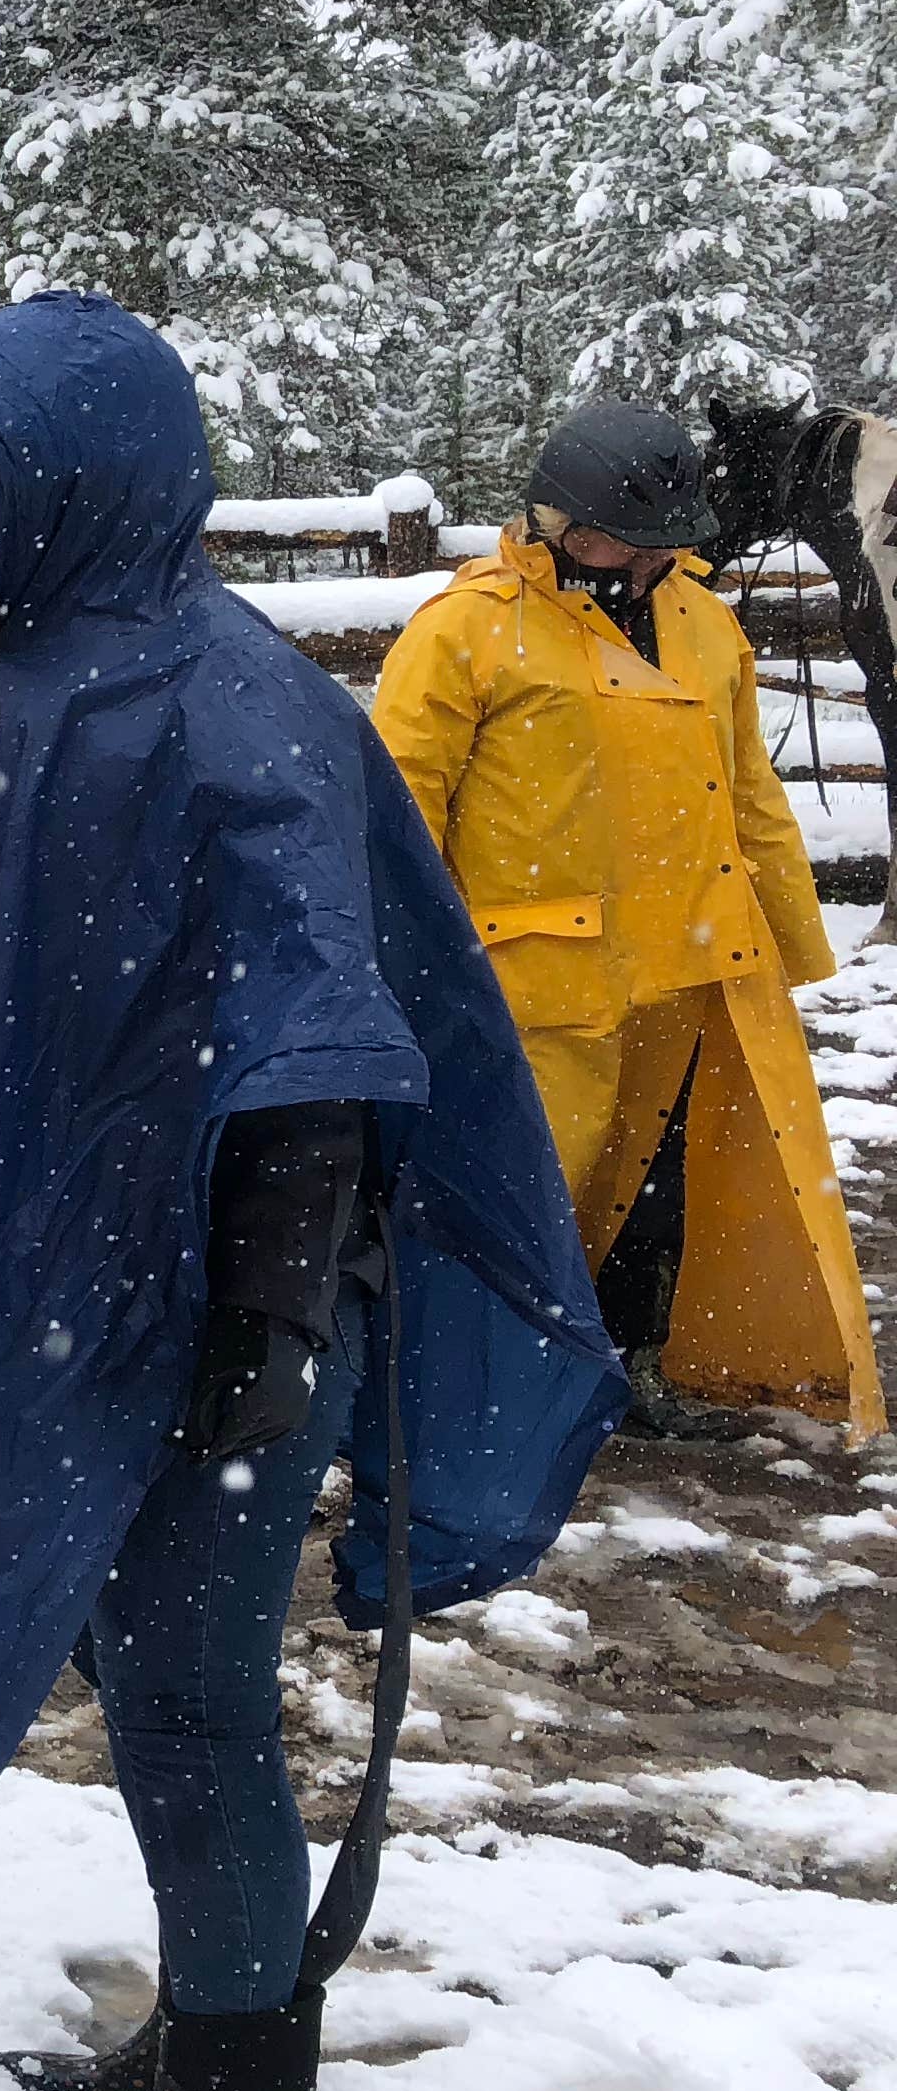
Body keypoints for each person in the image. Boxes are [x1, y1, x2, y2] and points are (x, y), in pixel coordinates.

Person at [0, 294, 621, 2091]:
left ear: (83, 484)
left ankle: (238, 2090)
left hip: (207, 1306)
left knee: (190, 1683)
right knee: (120, 1658)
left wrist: (269, 1331)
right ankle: (224, 1993)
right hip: (18, 1271)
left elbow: (318, 1060)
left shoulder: (238, 717)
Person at [368, 406, 882, 1443]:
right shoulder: (467, 629)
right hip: (532, 976)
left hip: (694, 965)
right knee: (526, 1191)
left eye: (664, 542)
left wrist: (788, 941)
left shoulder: (703, 620)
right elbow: (395, 808)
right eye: (625, 540)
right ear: (555, 520)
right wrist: (393, 965)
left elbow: (746, 788)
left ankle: (631, 1370)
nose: (647, 561)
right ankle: (473, 1402)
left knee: (663, 1185)